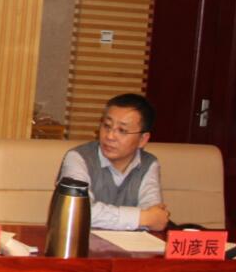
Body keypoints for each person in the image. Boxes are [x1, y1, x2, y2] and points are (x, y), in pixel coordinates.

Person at [56, 93, 168, 231]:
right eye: (107, 126)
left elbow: (155, 217)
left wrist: (148, 218)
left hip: (129, 243)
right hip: (81, 242)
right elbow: (77, 211)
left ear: (142, 139)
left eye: (122, 130)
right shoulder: (78, 158)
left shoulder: (149, 164)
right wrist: (142, 218)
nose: (109, 136)